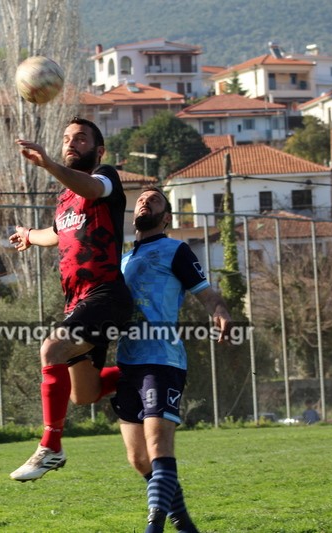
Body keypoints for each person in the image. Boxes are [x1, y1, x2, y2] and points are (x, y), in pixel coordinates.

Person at [8, 117, 133, 482]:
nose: (71, 143)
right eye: (66, 138)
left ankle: (51, 447)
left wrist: (48, 164)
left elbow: (92, 188)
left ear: (99, 149)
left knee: (52, 349)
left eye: (80, 138)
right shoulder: (64, 198)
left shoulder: (105, 177)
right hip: (78, 302)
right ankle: (152, 372)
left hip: (106, 294)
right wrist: (29, 235)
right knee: (84, 394)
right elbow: (57, 233)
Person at [113, 187, 232, 532]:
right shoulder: (123, 259)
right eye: (141, 199)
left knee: (157, 446)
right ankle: (185, 524)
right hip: (126, 362)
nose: (144, 202)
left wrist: (221, 311)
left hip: (161, 360)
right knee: (139, 459)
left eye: (154, 200)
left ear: (166, 217)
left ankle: (154, 528)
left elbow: (207, 294)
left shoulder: (175, 250)